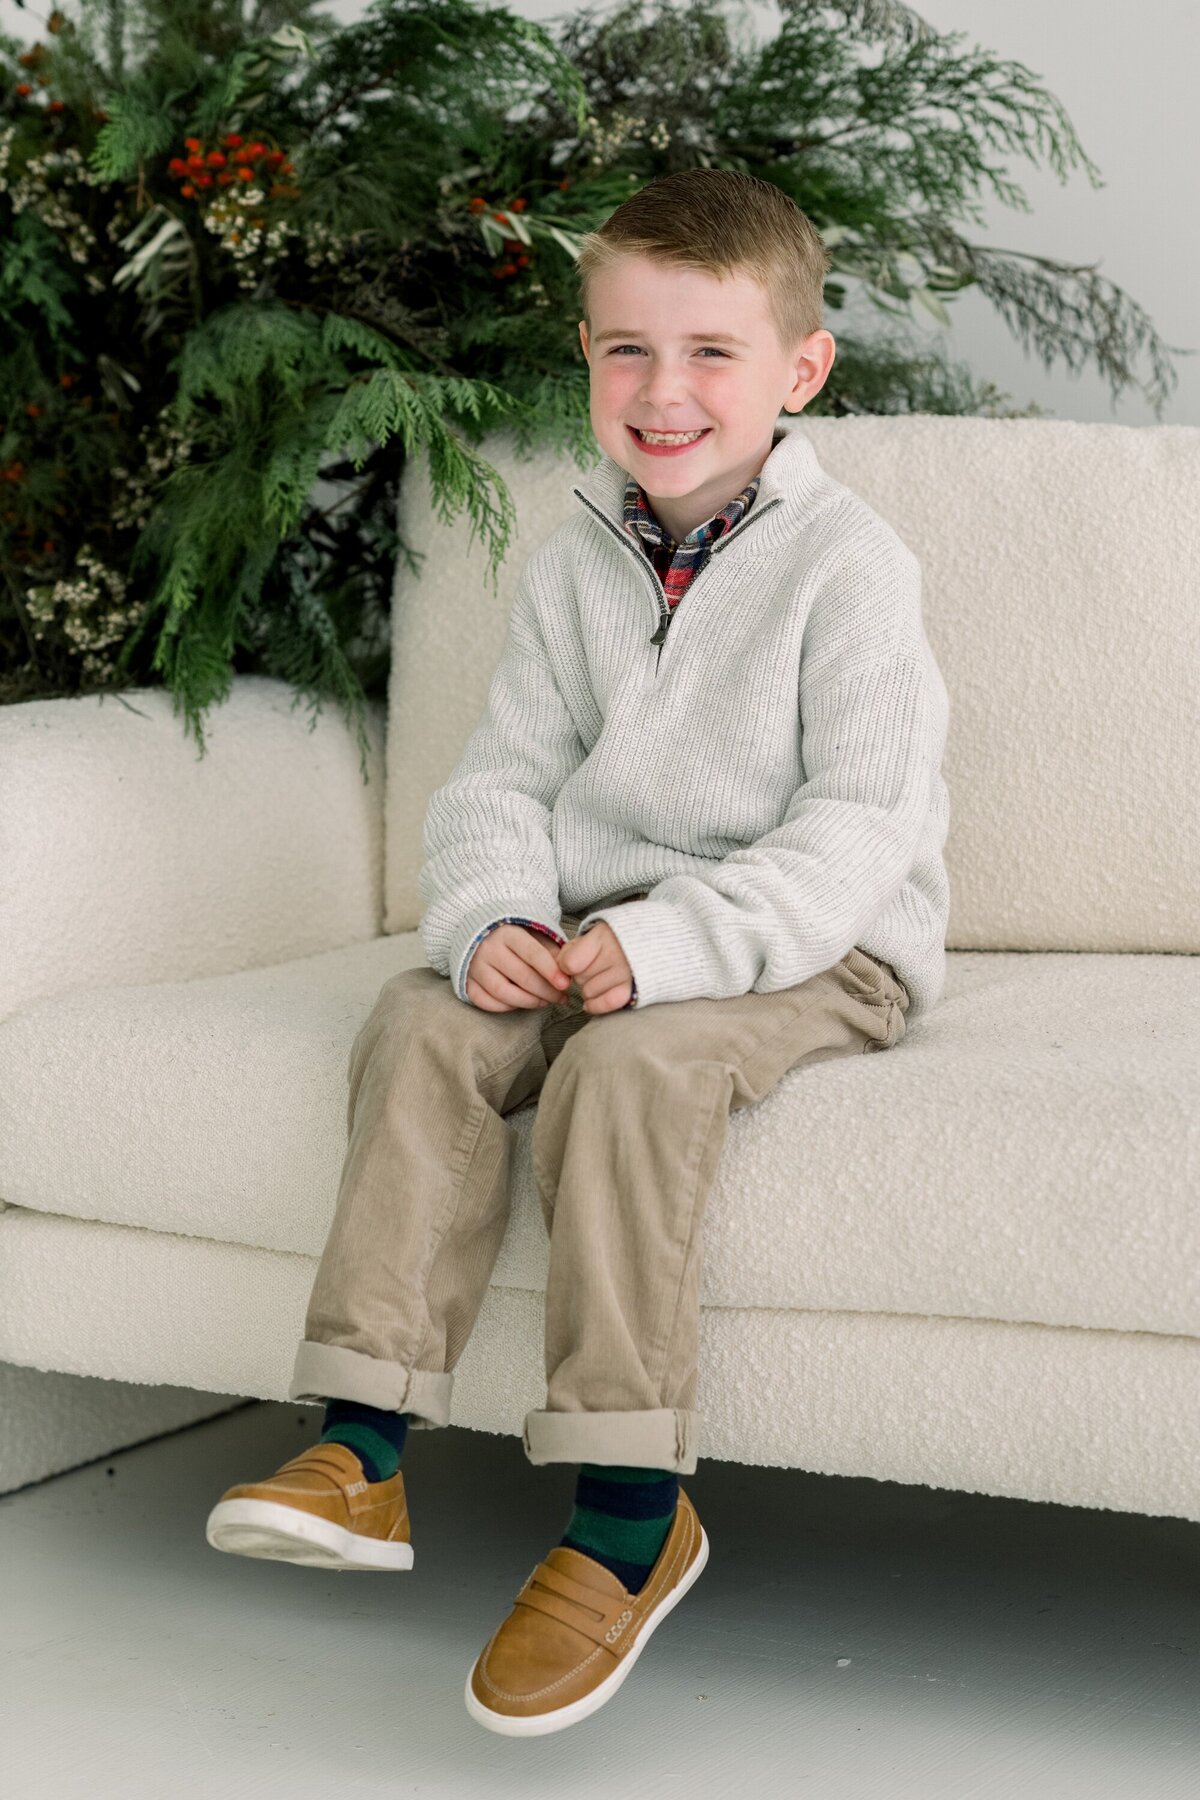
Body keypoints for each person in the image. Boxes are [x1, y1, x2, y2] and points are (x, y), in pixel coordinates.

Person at [205, 166, 950, 1737]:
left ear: (800, 372)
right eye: (623, 350)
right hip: (597, 929)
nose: (661, 392)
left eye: (709, 354)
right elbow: (502, 781)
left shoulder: (852, 570)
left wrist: (679, 945)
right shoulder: (572, 562)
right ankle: (364, 1451)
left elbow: (858, 827)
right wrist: (494, 924)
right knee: (420, 1021)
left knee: (630, 1066)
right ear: (587, 361)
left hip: (812, 942)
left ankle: (628, 1511)